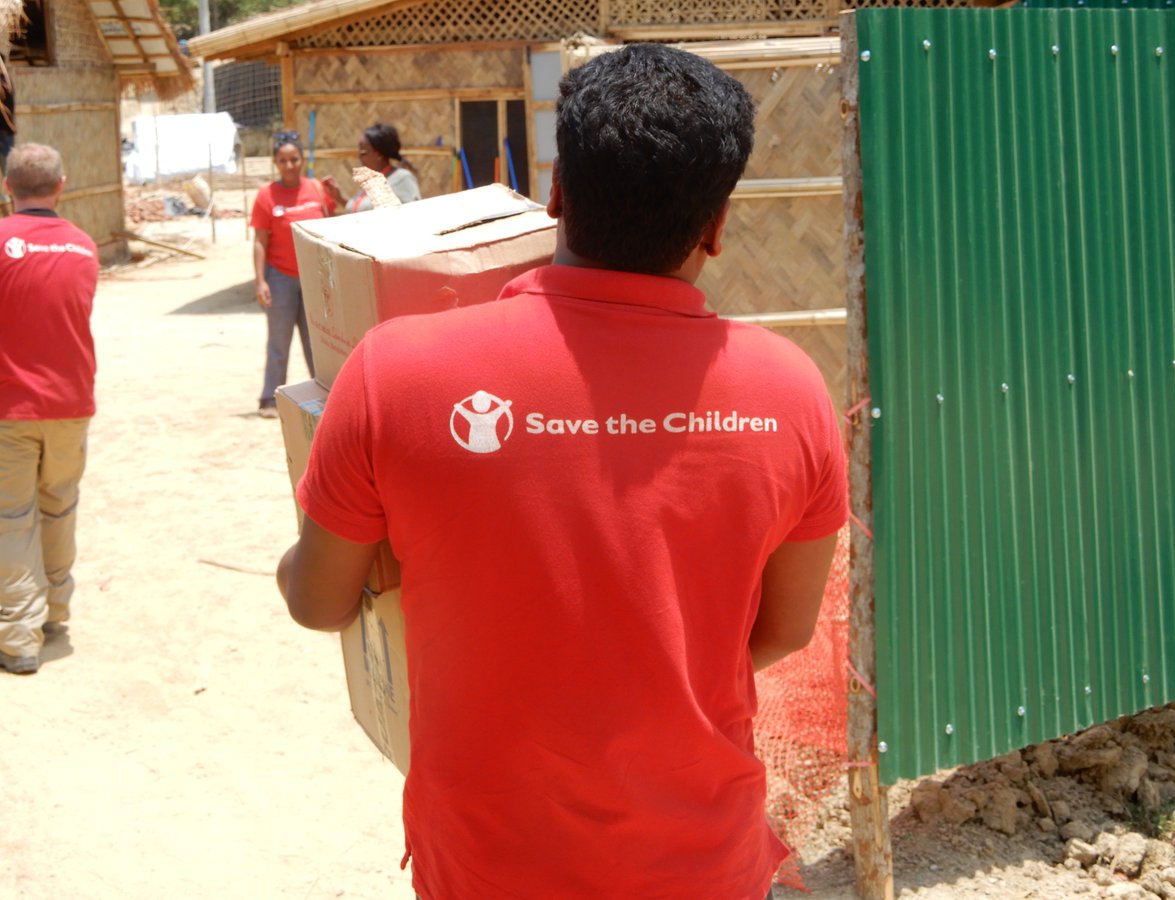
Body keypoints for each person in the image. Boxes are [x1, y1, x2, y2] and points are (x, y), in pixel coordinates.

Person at [277, 44, 847, 899]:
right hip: (701, 863)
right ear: (718, 226)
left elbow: (318, 601)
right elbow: (784, 630)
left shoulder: (396, 371)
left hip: (484, 862)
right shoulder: (790, 392)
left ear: (556, 196)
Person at [0, 143, 100, 675]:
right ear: (61, 185)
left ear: (7, 186)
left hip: (11, 407)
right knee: (59, 507)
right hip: (71, 403)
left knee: (12, 520)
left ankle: (19, 638)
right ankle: (55, 614)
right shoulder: (84, 248)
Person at [250, 132, 334, 418]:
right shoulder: (266, 196)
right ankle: (269, 399)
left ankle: (325, 397)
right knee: (279, 340)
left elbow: (334, 227)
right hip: (280, 278)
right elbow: (260, 241)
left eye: (294, 159)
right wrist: (260, 281)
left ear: (302, 160)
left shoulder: (317, 190)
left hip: (314, 278)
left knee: (317, 342)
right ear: (275, 163)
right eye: (283, 161)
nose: (289, 165)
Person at [322, 122, 420, 213]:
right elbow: (361, 212)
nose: (359, 157)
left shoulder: (402, 178)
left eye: (363, 153)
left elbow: (412, 214)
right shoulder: (372, 181)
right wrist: (339, 198)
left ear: (379, 155)